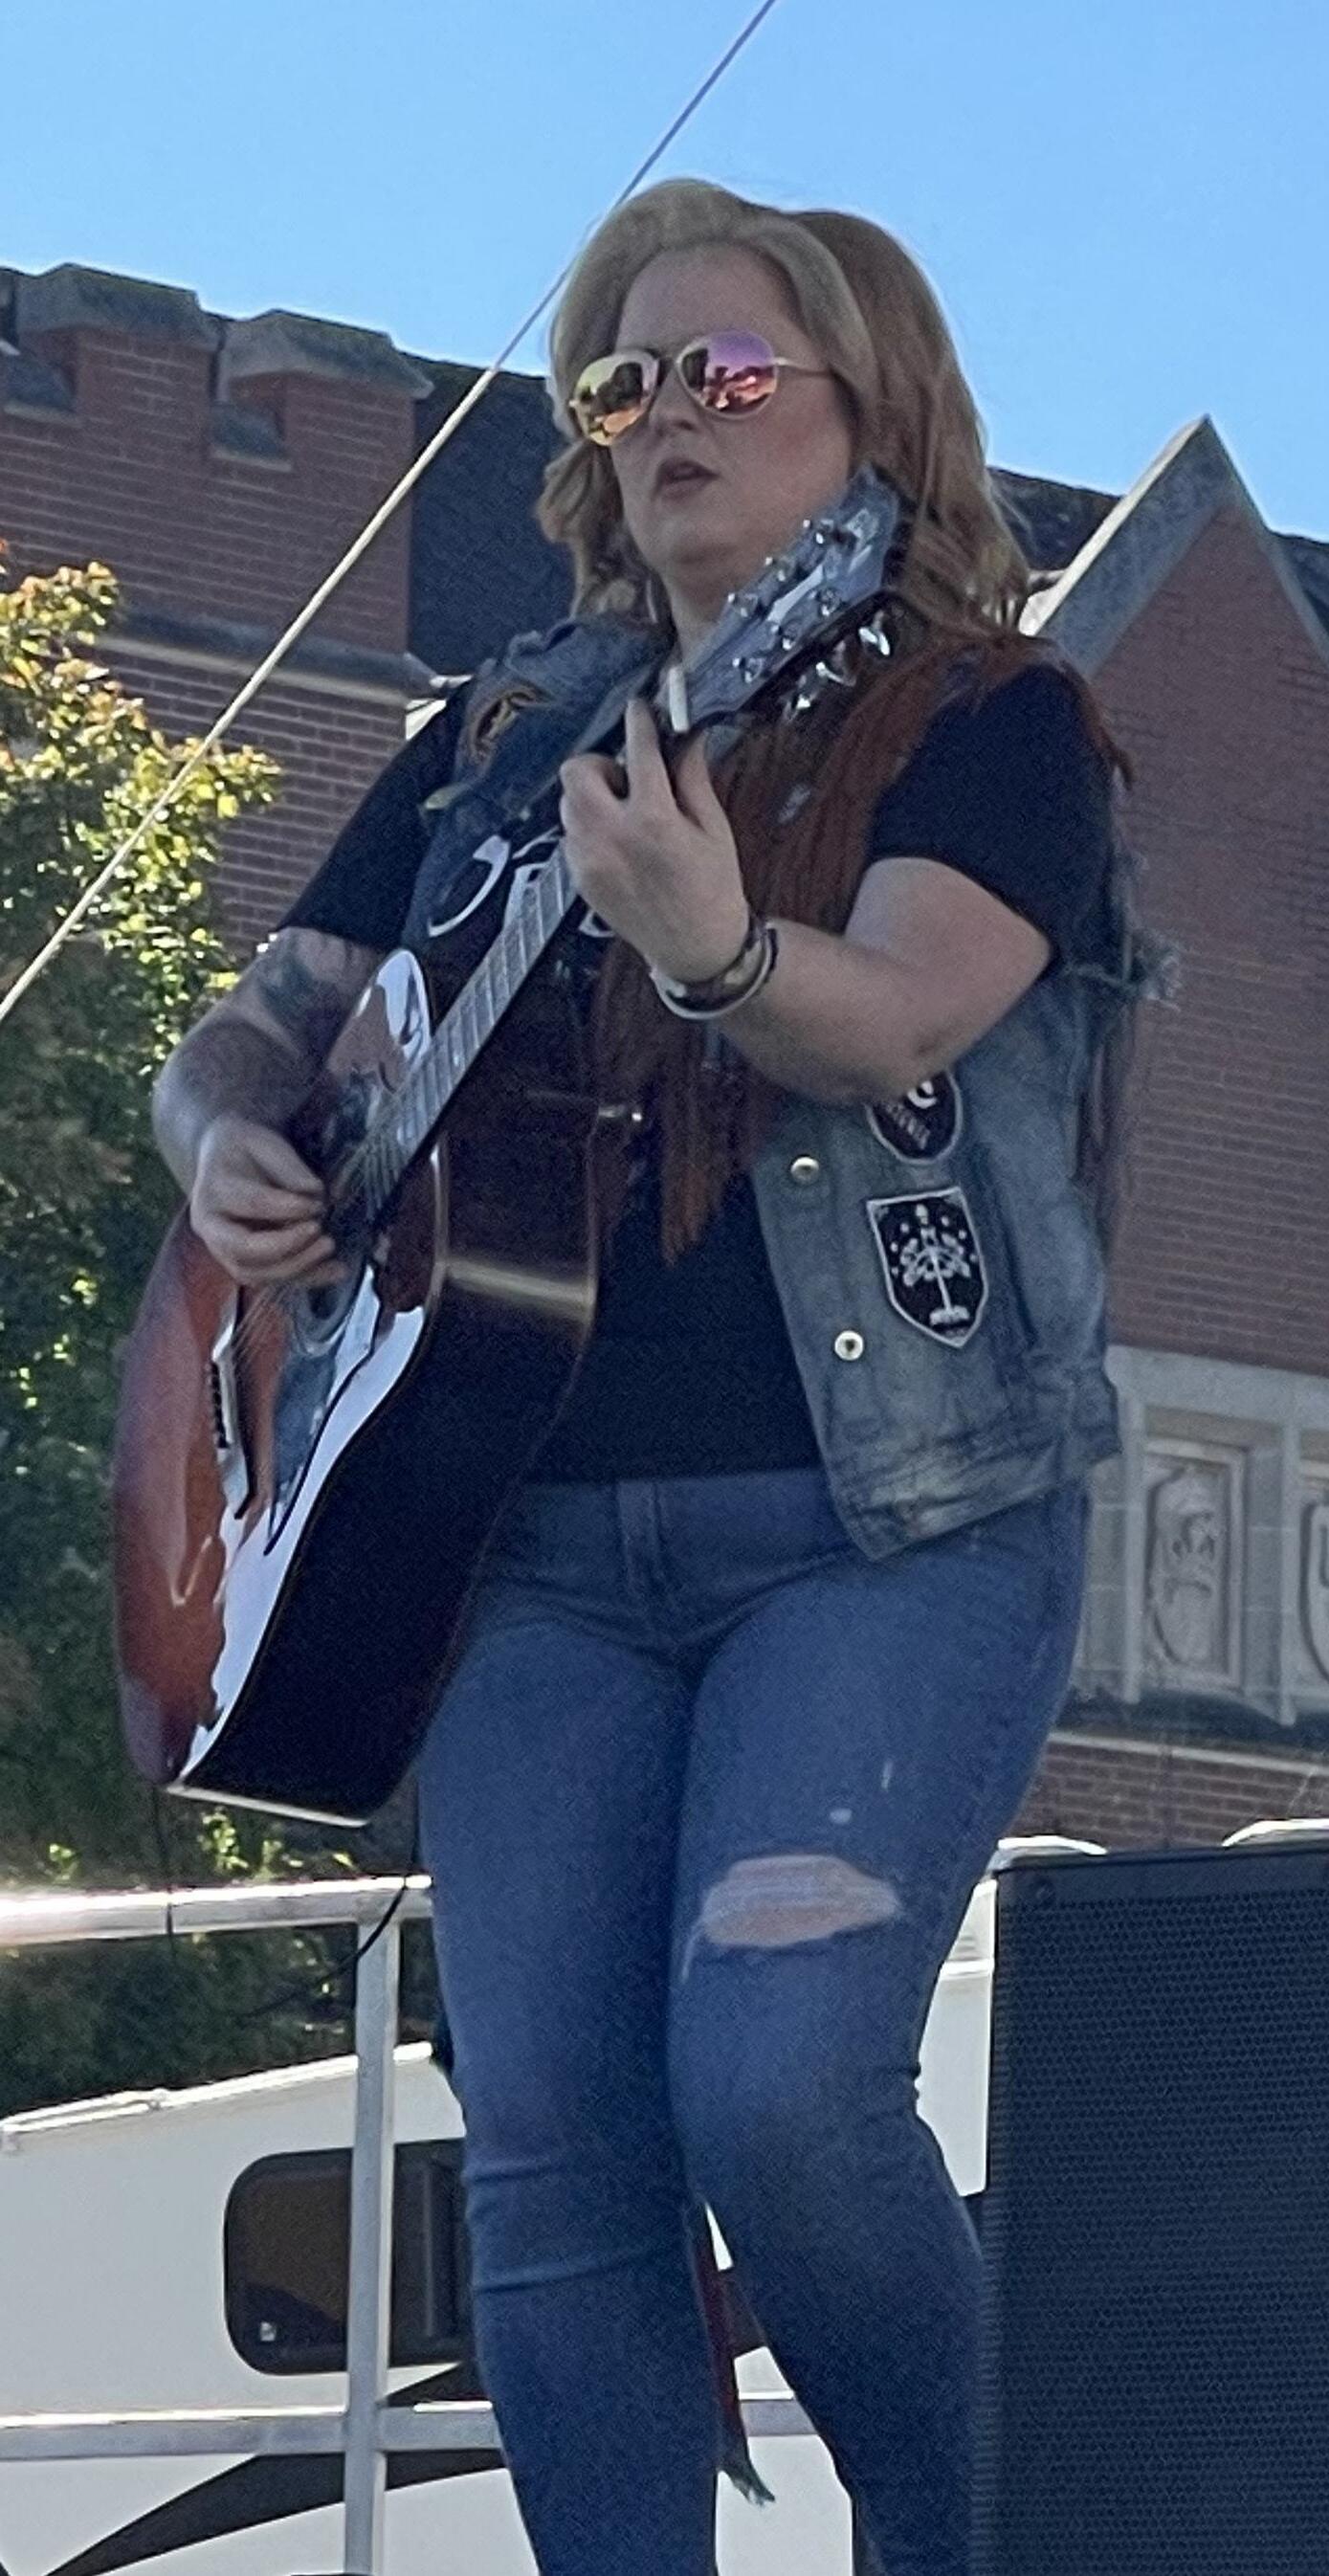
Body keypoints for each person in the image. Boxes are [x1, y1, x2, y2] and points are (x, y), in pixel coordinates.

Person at [151, 179, 1154, 2576]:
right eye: (621, 380)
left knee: (781, 2093)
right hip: (518, 1551)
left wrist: (712, 947)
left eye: (725, 370)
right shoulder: (497, 739)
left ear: (868, 407)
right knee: (549, 2152)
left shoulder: (985, 720)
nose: (663, 415)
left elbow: (897, 1010)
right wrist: (225, 1146)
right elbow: (255, 1028)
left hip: (883, 1523)